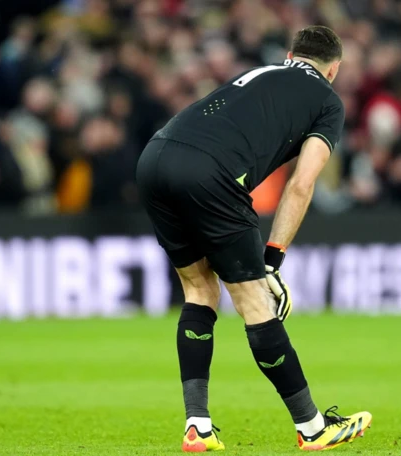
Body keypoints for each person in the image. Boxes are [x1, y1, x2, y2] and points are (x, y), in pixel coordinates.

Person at [136, 26, 372, 452]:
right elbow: (301, 185)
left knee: (198, 289)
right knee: (254, 302)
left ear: (289, 55)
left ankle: (198, 426)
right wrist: (272, 260)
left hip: (155, 156)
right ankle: (312, 428)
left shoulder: (261, 72)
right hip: (210, 173)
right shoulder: (327, 100)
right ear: (333, 70)